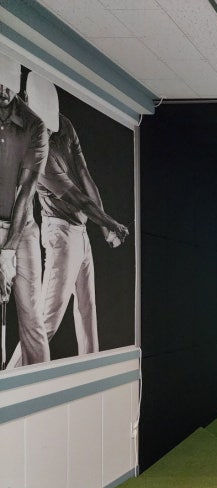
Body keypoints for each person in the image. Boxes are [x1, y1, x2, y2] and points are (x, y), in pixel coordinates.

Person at [4, 74, 129, 368]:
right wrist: (110, 223)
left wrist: (103, 227)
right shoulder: (39, 151)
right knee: (47, 319)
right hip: (59, 234)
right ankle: (11, 377)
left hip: (80, 229)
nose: (48, 128)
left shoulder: (64, 126)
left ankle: (91, 372)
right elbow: (77, 198)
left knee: (87, 308)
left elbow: (86, 177)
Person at [0, 54, 49, 367]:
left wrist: (7, 252)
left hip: (23, 228)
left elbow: (25, 191)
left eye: (7, 83)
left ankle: (42, 388)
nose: (2, 90)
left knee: (31, 317)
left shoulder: (35, 126)